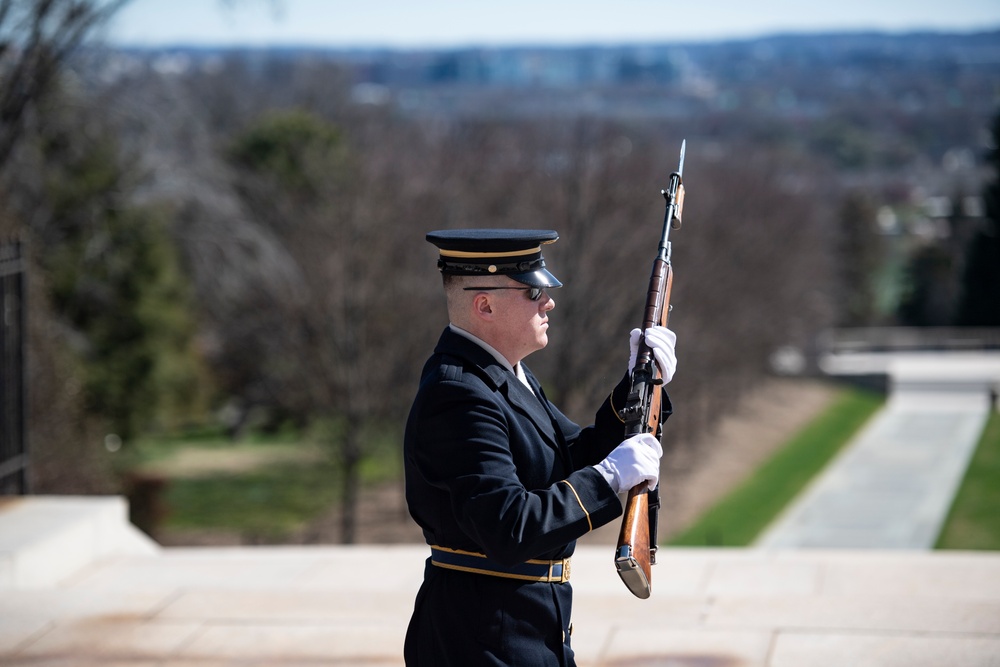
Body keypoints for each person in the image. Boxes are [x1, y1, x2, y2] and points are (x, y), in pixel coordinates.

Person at [403, 228, 677, 666]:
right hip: (481, 639)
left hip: (523, 627)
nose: (548, 302)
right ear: (485, 305)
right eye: (533, 292)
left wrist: (639, 386)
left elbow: (571, 455)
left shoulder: (507, 376)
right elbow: (509, 525)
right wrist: (609, 478)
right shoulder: (458, 395)